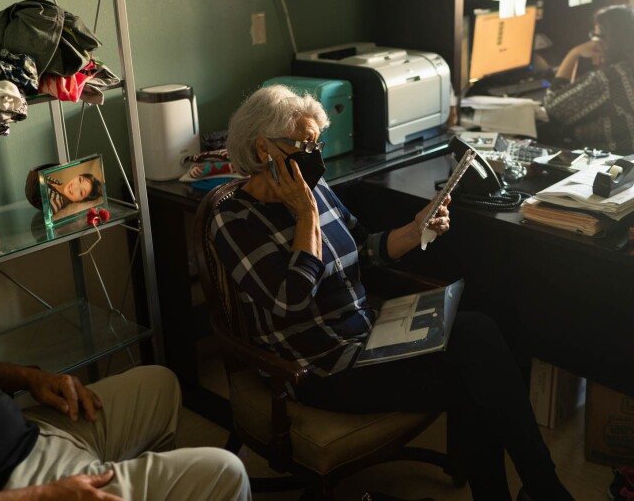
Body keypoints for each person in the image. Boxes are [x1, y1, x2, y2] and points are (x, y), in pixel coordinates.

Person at [210, 84, 574, 501]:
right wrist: (305, 214)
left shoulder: (317, 188)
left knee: (480, 330)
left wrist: (414, 229)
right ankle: (542, 490)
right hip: (321, 370)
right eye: (304, 145)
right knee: (477, 375)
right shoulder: (234, 219)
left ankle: (540, 488)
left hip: (369, 338)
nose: (316, 156)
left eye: (318, 143)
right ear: (263, 151)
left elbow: (363, 246)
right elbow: (290, 300)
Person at [0, 318, 251, 500]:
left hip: (26, 429)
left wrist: (24, 378)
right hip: (5, 482)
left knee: (159, 384)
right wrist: (41, 496)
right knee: (225, 472)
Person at [542, 4, 634, 155]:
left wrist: (573, 54)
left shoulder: (612, 79)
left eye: (597, 36)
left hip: (627, 168)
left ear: (609, 40)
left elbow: (553, 108)